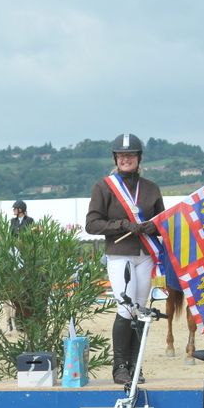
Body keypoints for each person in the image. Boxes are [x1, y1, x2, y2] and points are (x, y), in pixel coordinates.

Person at [86, 133, 165, 385]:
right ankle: (119, 366)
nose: (126, 159)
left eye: (130, 155)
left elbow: (163, 221)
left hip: (145, 255)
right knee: (125, 307)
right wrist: (122, 225)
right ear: (116, 158)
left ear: (138, 158)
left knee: (141, 311)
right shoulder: (104, 187)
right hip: (120, 255)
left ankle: (136, 365)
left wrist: (154, 227)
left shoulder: (151, 188)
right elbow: (91, 224)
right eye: (121, 156)